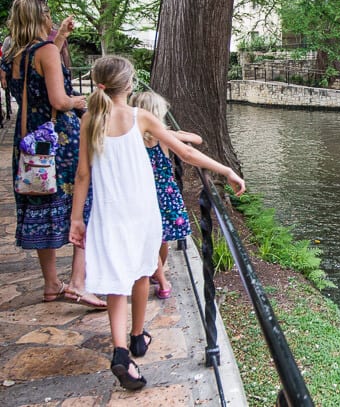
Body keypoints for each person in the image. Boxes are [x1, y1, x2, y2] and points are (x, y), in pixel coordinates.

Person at [69, 56, 245, 390]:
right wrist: (226, 170)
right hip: (141, 213)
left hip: (107, 214)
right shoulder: (141, 117)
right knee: (140, 271)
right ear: (130, 84)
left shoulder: (89, 120)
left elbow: (82, 174)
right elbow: (187, 154)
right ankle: (138, 337)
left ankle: (123, 349)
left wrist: (77, 218)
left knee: (117, 283)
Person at [0, 0, 105, 309]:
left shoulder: (12, 53)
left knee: (40, 204)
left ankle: (50, 284)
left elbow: (37, 77)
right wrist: (81, 101)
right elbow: (59, 100)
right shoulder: (45, 51)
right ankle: (77, 282)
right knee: (83, 203)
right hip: (59, 140)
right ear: (41, 17)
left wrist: (60, 38)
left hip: (31, 141)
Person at [130, 91, 201, 299]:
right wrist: (179, 133)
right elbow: (197, 139)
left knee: (148, 238)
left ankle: (155, 271)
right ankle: (159, 277)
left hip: (142, 194)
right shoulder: (165, 137)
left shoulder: (131, 138)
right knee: (162, 239)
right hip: (165, 194)